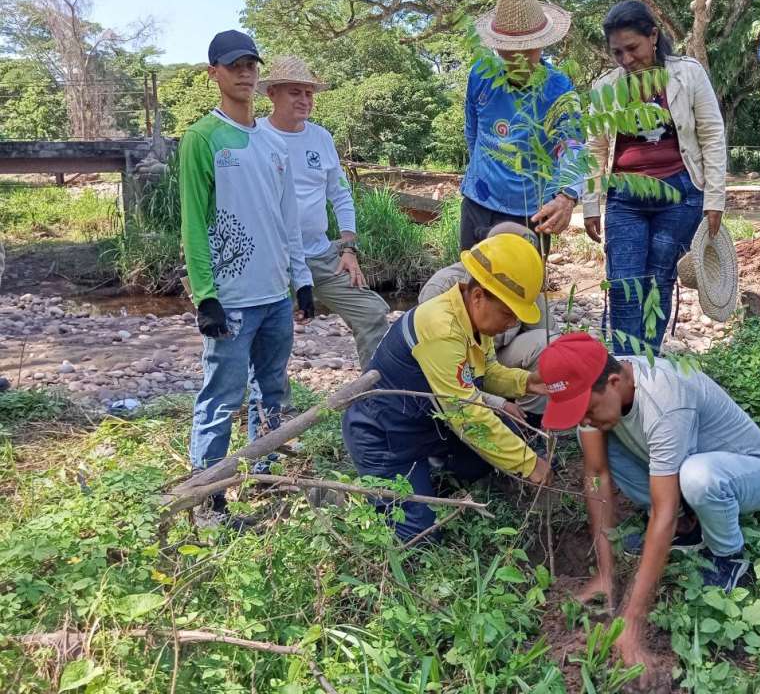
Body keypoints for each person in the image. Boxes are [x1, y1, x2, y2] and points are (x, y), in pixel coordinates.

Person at [539, 333, 760, 676]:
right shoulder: (599, 398)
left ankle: (728, 558)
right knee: (601, 447)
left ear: (614, 381)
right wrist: (606, 576)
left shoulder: (664, 398)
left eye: (588, 410)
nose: (586, 419)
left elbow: (661, 512)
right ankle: (691, 525)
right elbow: (596, 478)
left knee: (698, 478)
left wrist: (633, 622)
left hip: (748, 471)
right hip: (683, 470)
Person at [342, 234, 554, 541]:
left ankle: (432, 474)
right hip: (385, 438)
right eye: (508, 314)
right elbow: (467, 416)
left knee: (499, 438)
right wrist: (529, 464)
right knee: (419, 537)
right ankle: (362, 498)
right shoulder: (442, 327)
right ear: (479, 295)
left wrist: (527, 382)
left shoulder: (471, 319)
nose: (511, 324)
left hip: (429, 427)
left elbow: (487, 371)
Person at [179, 30, 314, 512]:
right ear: (213, 72)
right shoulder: (202, 138)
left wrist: (301, 280)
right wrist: (205, 296)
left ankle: (265, 475)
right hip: (231, 300)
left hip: (275, 295)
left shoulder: (273, 143)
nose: (244, 73)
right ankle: (208, 497)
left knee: (272, 388)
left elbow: (288, 219)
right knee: (222, 394)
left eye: (251, 65)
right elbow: (193, 222)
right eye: (233, 65)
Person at [583, 0, 727, 352]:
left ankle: (646, 364)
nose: (627, 59)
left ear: (653, 36)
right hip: (624, 198)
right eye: (617, 53)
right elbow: (595, 148)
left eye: (633, 48)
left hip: (679, 194)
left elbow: (711, 134)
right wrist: (589, 204)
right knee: (622, 283)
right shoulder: (606, 88)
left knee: (659, 279)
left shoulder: (688, 74)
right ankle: (626, 363)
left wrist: (715, 199)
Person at [256, 55, 389, 368]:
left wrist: (348, 249)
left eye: (309, 93)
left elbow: (340, 196)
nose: (304, 100)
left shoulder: (321, 138)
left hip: (320, 254)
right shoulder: (255, 136)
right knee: (269, 333)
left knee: (373, 313)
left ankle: (376, 398)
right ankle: (275, 410)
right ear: (272, 93)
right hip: (272, 257)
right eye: (295, 92)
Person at [462, 0, 585, 250]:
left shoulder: (559, 89)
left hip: (531, 211)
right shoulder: (480, 75)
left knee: (523, 292)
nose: (517, 62)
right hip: (479, 204)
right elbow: (473, 133)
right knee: (473, 288)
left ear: (541, 44)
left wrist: (567, 196)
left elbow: (573, 147)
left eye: (526, 51)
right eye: (508, 52)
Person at [418, 222, 557, 421]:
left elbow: (552, 339)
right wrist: (497, 403)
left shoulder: (523, 284)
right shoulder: (442, 287)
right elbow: (441, 378)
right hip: (453, 367)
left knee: (547, 344)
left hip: (495, 362)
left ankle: (531, 424)